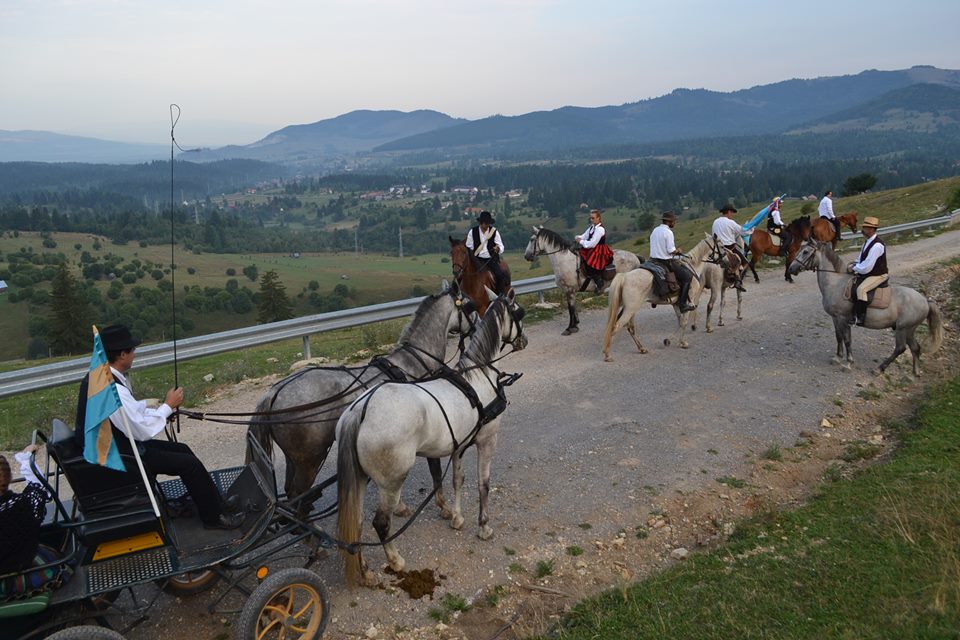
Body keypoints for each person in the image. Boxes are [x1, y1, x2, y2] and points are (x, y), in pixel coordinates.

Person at [74, 325, 243, 530]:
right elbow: (139, 430)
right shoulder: (111, 390)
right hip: (122, 458)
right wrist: (168, 406)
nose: (135, 355)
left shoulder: (102, 378)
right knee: (189, 464)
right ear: (122, 354)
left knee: (182, 450)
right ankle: (214, 519)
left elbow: (131, 415)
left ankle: (217, 504)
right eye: (132, 350)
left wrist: (163, 412)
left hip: (119, 447)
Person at [0, 444, 48, 574]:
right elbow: (39, 488)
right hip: (25, 564)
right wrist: (26, 459)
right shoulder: (24, 504)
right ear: (9, 478)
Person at [649, 211, 696, 312]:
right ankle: (683, 304)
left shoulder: (655, 230)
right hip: (664, 261)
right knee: (687, 277)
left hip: (652, 260)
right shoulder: (668, 232)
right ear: (669, 222)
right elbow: (671, 251)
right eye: (674, 221)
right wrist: (678, 251)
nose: (675, 223)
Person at [846, 216, 887, 326]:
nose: (863, 230)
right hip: (868, 273)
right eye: (864, 227)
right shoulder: (867, 242)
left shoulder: (877, 245)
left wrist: (854, 268)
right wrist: (853, 263)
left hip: (878, 275)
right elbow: (860, 259)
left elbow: (867, 267)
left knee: (861, 289)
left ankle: (860, 317)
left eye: (865, 228)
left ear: (872, 230)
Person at [465, 210, 509, 295]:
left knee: (500, 275)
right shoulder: (472, 232)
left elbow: (501, 246)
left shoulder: (494, 232)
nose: (487, 225)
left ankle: (500, 295)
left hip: (491, 259)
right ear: (481, 223)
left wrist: (498, 248)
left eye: (488, 223)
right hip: (477, 259)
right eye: (486, 223)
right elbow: (469, 246)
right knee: (463, 275)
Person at [575, 209, 614, 293]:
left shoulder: (600, 229)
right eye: (591, 218)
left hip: (599, 249)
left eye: (593, 218)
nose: (591, 220)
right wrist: (577, 237)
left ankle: (599, 283)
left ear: (598, 218)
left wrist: (581, 241)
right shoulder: (592, 228)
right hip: (592, 248)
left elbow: (593, 243)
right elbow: (584, 236)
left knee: (591, 264)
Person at [711, 203, 748, 292]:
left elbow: (713, 235)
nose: (732, 215)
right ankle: (738, 282)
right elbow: (743, 232)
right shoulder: (730, 222)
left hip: (716, 248)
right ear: (728, 212)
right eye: (732, 212)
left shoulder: (715, 221)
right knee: (746, 263)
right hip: (729, 248)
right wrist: (751, 229)